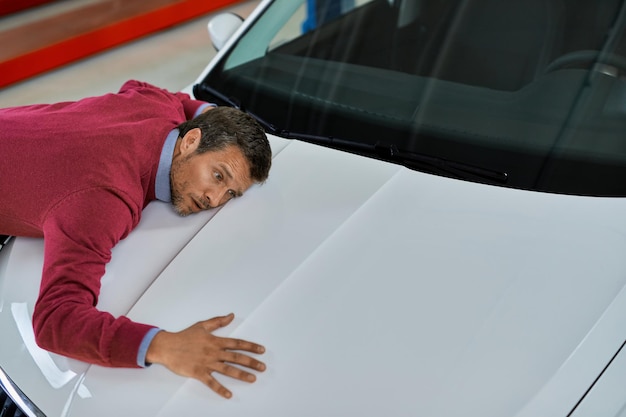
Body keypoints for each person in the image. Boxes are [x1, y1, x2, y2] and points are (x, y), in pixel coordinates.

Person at [0, 80, 272, 399]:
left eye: (230, 193)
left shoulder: (158, 107)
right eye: (218, 175)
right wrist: (165, 347)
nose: (214, 199)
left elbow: (160, 93)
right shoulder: (105, 199)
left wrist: (214, 116)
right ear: (191, 141)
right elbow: (56, 321)